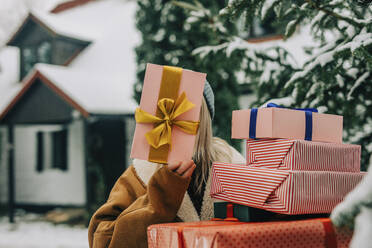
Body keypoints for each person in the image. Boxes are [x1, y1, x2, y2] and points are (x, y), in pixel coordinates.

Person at [88, 81, 245, 248]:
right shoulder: (140, 174)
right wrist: (162, 195)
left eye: (184, 110)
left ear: (203, 118)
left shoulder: (235, 168)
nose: (172, 120)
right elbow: (102, 242)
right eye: (165, 111)